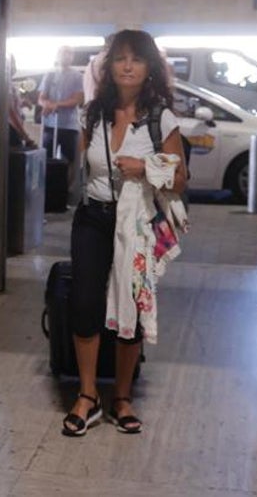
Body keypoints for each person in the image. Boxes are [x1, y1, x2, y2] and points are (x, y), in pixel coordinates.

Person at [65, 29, 187, 438]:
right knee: (84, 304)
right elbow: (83, 168)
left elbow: (182, 179)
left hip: (135, 224)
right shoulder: (91, 115)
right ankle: (87, 396)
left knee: (131, 308)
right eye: (120, 59)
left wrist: (147, 168)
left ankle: (121, 396)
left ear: (150, 66)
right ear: (109, 67)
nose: (128, 66)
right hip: (93, 218)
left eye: (136, 59)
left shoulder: (161, 118)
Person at [38, 45, 85, 202]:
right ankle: (47, 191)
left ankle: (63, 192)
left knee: (70, 160)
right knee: (46, 157)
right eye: (64, 53)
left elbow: (77, 99)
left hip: (69, 125)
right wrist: (46, 104)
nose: (67, 56)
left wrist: (56, 105)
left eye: (70, 53)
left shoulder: (77, 76)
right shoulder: (49, 75)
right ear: (58, 55)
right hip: (50, 125)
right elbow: (41, 97)